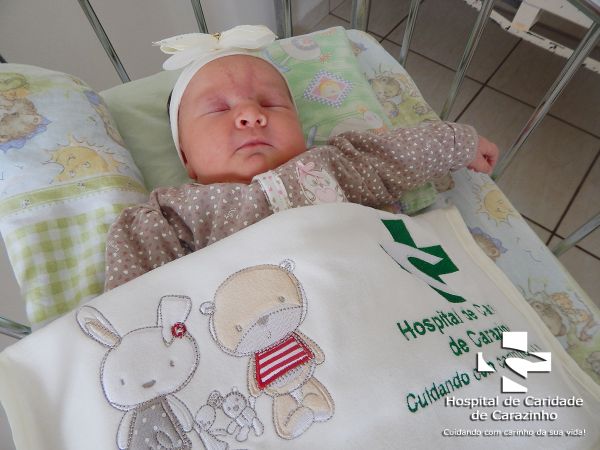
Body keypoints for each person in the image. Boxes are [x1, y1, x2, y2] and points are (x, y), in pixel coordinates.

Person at [104, 26, 498, 291]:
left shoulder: (336, 164)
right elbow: (134, 300)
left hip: (372, 291)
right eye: (219, 109)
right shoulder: (177, 215)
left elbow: (397, 154)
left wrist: (457, 141)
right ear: (186, 157)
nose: (251, 114)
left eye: (270, 103)